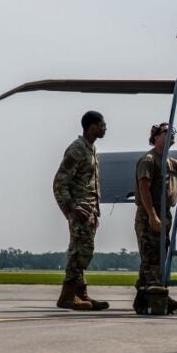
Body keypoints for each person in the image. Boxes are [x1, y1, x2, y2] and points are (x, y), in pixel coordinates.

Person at [52, 110, 109, 311]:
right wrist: (71, 209)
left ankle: (80, 293)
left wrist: (95, 212)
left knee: (84, 250)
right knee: (80, 252)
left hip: (89, 211)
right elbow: (59, 182)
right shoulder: (76, 149)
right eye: (102, 125)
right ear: (91, 126)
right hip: (80, 211)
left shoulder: (91, 149)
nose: (105, 128)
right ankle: (67, 296)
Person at [133, 123, 177, 313]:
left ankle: (143, 299)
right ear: (156, 137)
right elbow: (144, 188)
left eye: (173, 131)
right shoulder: (149, 160)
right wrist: (152, 215)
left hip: (164, 214)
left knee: (156, 258)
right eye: (167, 132)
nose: (171, 134)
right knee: (152, 259)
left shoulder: (169, 162)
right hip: (150, 214)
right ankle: (158, 298)